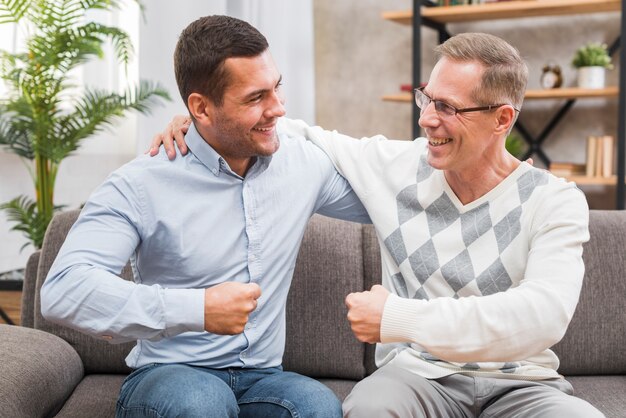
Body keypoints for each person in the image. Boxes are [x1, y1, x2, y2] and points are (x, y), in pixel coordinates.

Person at [154, 33, 603, 417]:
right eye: (427, 97)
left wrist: (398, 317)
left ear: (502, 119)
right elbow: (293, 132)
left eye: (448, 107)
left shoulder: (554, 201)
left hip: (523, 384)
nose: (427, 118)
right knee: (369, 409)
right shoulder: (399, 166)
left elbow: (541, 316)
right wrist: (201, 123)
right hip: (417, 378)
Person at [41, 15, 370, 418]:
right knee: (200, 405)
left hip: (264, 378)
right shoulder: (141, 182)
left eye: (276, 88)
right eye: (255, 98)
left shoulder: (302, 164)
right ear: (200, 108)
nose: (278, 109)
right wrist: (196, 309)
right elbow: (63, 290)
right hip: (170, 374)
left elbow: (386, 199)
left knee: (317, 407)